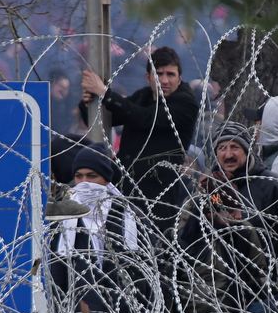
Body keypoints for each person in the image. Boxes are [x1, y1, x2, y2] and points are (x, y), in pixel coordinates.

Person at [175, 122, 278, 313]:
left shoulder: (273, 187)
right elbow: (189, 236)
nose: (228, 154)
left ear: (247, 150)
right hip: (218, 292)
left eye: (234, 147)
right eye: (222, 148)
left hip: (263, 289)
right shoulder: (211, 187)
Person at [80, 46, 199, 242]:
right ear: (148, 77)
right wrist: (89, 104)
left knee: (151, 247)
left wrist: (103, 92)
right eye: (159, 74)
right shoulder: (143, 97)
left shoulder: (185, 104)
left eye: (171, 74)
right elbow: (110, 118)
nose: (165, 80)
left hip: (158, 195)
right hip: (126, 188)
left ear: (179, 77)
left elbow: (145, 119)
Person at [48, 144, 148, 313]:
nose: (84, 183)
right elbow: (56, 271)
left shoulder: (127, 215)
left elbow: (141, 271)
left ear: (106, 179)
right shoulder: (63, 218)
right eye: (79, 176)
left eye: (92, 176)